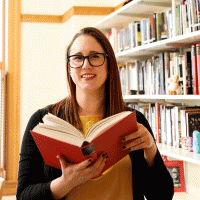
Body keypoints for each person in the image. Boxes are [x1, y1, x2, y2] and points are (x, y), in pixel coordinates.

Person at [17, 27, 174, 200]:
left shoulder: (134, 121)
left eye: (95, 56)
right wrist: (66, 182)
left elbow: (163, 196)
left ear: (109, 66)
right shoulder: (42, 121)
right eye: (77, 58)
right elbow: (23, 195)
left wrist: (151, 150)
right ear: (69, 68)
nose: (86, 65)